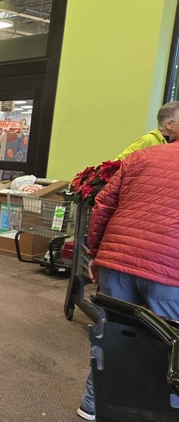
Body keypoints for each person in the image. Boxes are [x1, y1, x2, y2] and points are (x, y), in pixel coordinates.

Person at [76, 140, 179, 420]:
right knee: (169, 345)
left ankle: (92, 404)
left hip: (118, 259)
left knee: (112, 334)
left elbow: (103, 206)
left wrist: (97, 254)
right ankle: (154, 412)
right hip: (170, 270)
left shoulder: (141, 156)